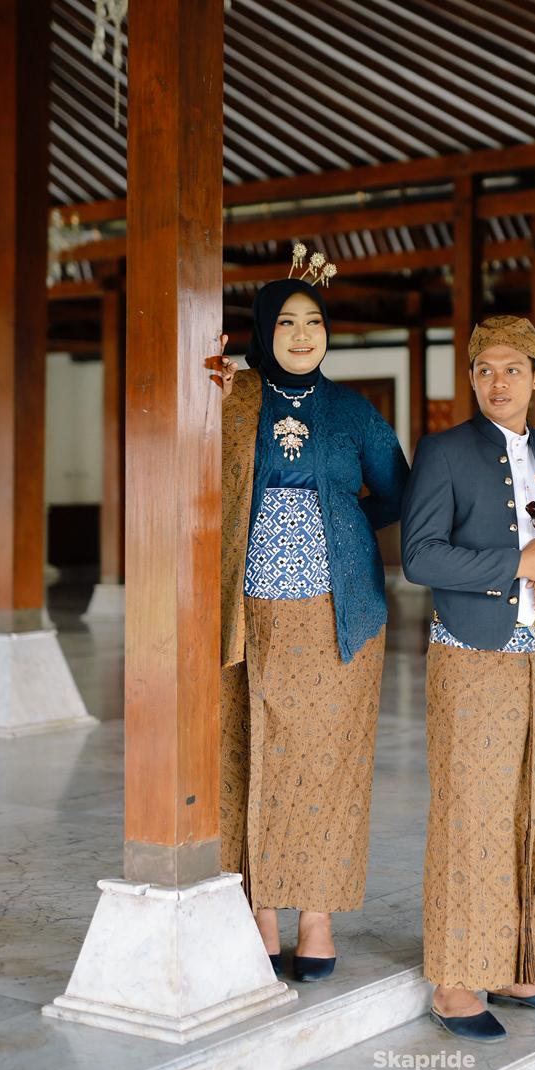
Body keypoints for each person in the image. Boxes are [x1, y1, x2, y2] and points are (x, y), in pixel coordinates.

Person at [211, 251, 409, 982]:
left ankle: (316, 916)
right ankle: (260, 909)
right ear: (263, 331)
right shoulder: (231, 399)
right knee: (251, 750)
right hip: (245, 608)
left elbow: (397, 493)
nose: (302, 334)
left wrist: (341, 522)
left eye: (314, 322)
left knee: (328, 760)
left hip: (337, 610)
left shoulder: (353, 412)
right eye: (286, 322)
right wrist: (206, 388)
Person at [401, 315, 535, 1040]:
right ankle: (455, 981)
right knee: (470, 810)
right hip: (471, 652)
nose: (497, 381)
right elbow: (420, 556)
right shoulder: (445, 452)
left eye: (512, 368)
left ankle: (518, 964)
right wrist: (516, 565)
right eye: (484, 369)